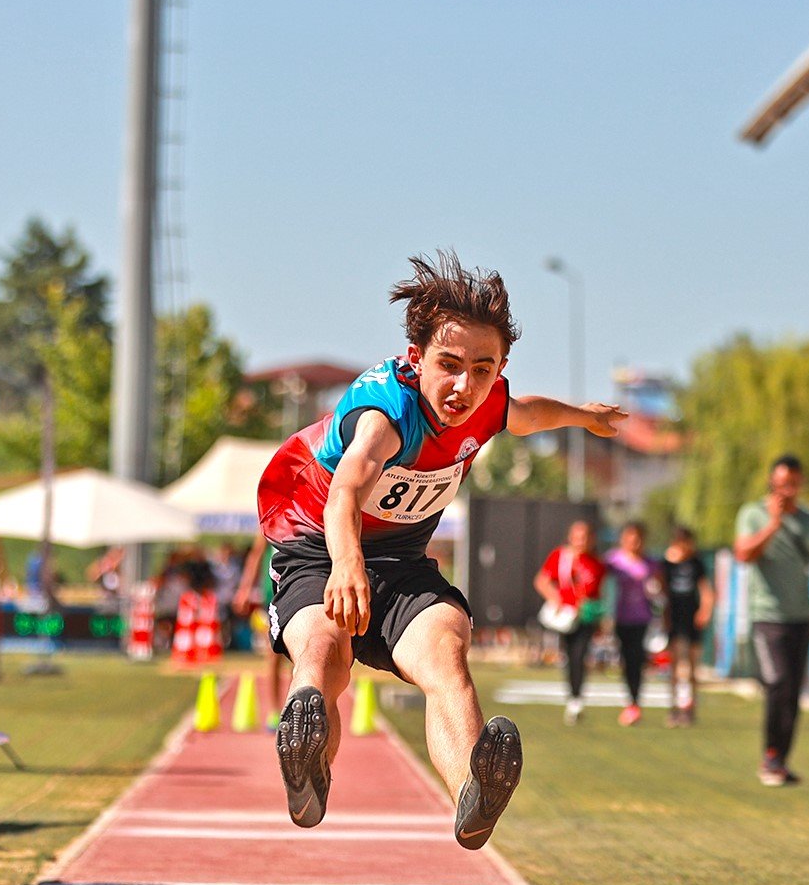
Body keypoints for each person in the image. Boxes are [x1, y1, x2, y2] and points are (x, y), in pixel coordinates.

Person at [257, 251, 627, 848]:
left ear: (500, 369)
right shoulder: (386, 414)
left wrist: (584, 417)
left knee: (446, 648)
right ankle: (308, 768)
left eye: (483, 369)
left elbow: (530, 414)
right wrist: (347, 564)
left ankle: (472, 796)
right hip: (318, 542)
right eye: (449, 366)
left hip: (400, 560)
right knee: (323, 655)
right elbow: (346, 489)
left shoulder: (488, 403)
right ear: (416, 358)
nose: (464, 387)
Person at [733, 454, 809, 786]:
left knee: (793, 691)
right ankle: (770, 756)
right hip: (767, 617)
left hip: (801, 617)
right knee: (777, 682)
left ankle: (780, 760)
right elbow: (743, 554)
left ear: (800, 482)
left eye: (792, 484)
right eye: (781, 484)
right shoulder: (753, 514)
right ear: (772, 482)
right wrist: (773, 525)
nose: (787, 489)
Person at [534, 520, 606, 725]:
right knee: (570, 657)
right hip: (566, 617)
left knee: (580, 655)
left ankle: (576, 699)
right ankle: (573, 697)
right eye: (577, 536)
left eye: (585, 537)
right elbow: (541, 581)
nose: (581, 541)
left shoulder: (596, 563)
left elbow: (599, 591)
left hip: (586, 618)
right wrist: (555, 598)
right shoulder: (560, 556)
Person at [604, 521, 661, 726]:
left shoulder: (650, 563)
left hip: (642, 618)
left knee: (637, 659)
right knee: (625, 659)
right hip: (620, 617)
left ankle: (634, 702)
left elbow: (660, 587)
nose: (634, 542)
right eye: (629, 537)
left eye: (637, 538)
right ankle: (630, 699)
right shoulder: (613, 560)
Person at [234, 532, 290, 730]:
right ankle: (275, 711)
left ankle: (297, 709)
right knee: (273, 654)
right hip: (272, 593)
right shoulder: (269, 519)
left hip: (300, 588)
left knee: (302, 656)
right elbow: (256, 553)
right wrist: (245, 588)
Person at [661, 525, 715, 727]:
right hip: (675, 618)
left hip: (692, 619)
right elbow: (663, 591)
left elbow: (706, 590)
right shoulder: (667, 564)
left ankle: (690, 708)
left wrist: (705, 610)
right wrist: (665, 616)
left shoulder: (696, 563)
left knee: (692, 667)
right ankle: (674, 707)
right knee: (675, 665)